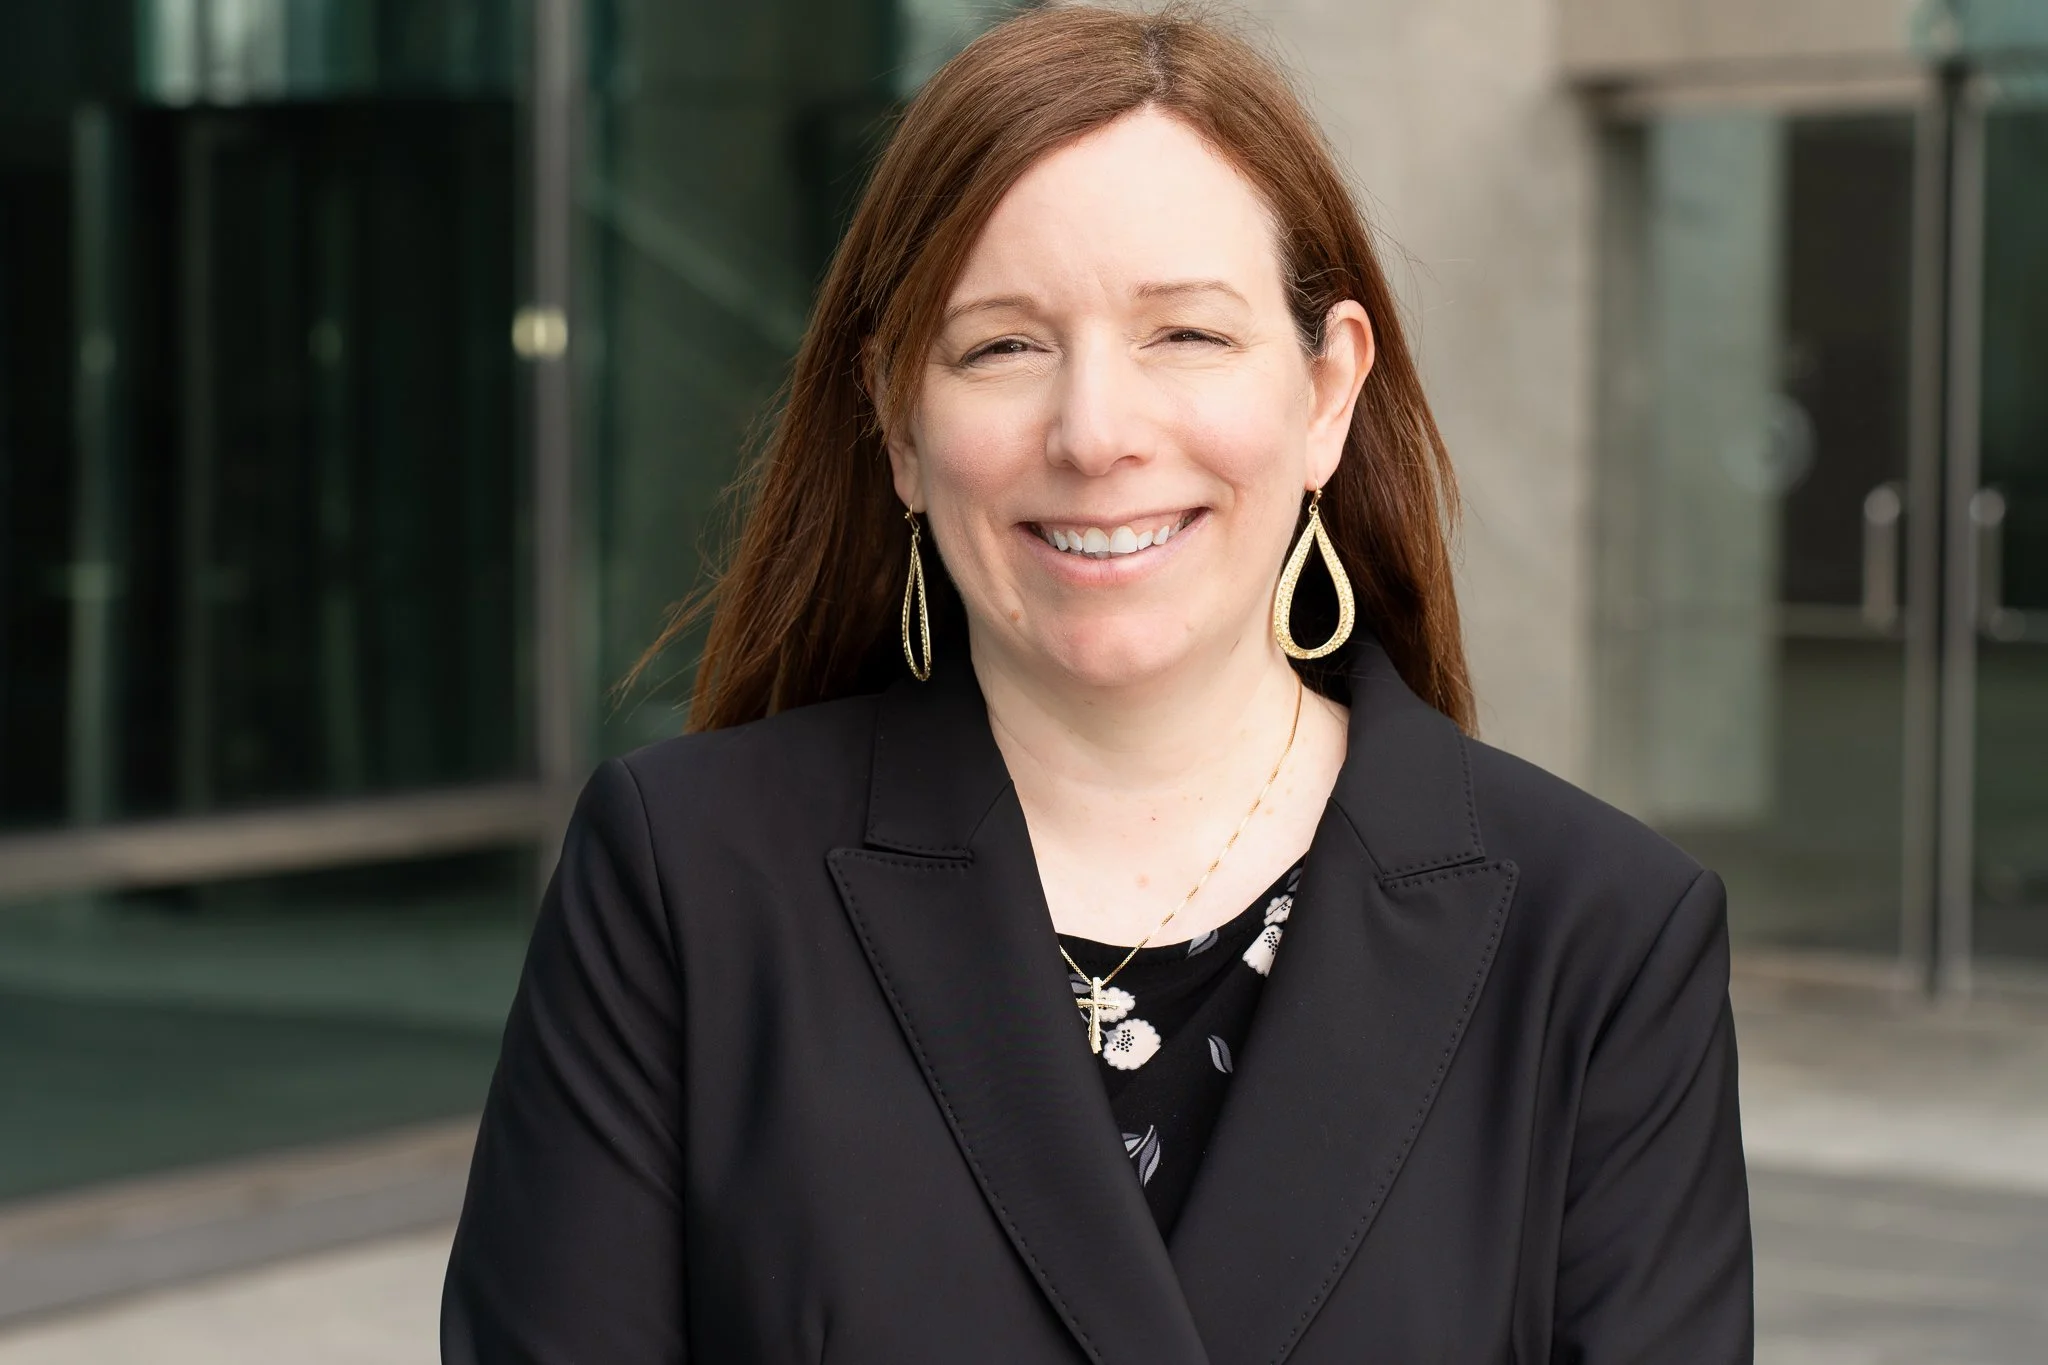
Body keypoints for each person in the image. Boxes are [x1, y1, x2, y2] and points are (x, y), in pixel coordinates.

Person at [440, 6, 1753, 1362]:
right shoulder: (685, 885)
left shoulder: (1601, 939)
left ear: (1326, 392)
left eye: (1185, 335)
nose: (1096, 433)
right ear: (899, 421)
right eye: (1001, 345)